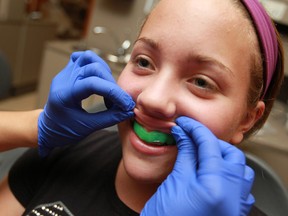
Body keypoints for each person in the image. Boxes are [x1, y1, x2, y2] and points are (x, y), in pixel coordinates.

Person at [0, 0, 284, 215]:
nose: (153, 99)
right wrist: (35, 127)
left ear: (247, 119)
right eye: (145, 62)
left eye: (201, 81)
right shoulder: (63, 154)